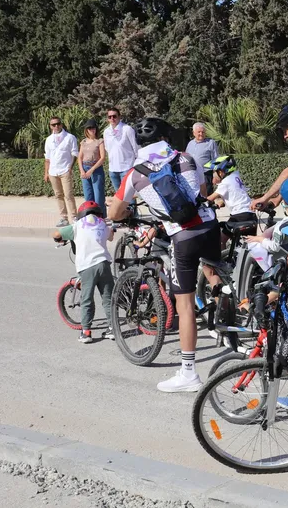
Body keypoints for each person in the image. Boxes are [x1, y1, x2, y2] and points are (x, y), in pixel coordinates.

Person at [109, 117, 222, 392]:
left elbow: (114, 212)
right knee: (216, 275)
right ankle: (226, 319)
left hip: (182, 236)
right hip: (210, 226)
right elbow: (202, 193)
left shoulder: (135, 173)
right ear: (166, 138)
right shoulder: (185, 157)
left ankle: (188, 373)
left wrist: (129, 212)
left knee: (184, 307)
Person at [53, 201, 115, 343]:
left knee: (87, 298)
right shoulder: (102, 224)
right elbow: (110, 236)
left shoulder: (77, 226)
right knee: (108, 298)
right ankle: (112, 329)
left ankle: (86, 331)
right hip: (104, 264)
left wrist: (59, 238)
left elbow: (57, 233)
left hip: (87, 266)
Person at [44, 116, 79, 227]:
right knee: (58, 195)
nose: (56, 126)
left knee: (69, 195)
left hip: (65, 170)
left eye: (58, 123)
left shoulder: (70, 137)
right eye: (53, 124)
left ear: (61, 124)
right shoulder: (48, 140)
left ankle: (74, 217)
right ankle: (63, 217)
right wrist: (46, 173)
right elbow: (47, 158)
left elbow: (75, 153)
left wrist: (70, 168)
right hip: (53, 172)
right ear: (50, 126)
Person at [205, 155, 257, 228]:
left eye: (213, 172)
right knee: (248, 239)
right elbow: (235, 192)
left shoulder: (225, 183)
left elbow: (209, 199)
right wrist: (222, 202)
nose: (213, 175)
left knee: (222, 237)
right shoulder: (235, 176)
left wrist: (198, 202)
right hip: (250, 214)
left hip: (239, 216)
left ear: (220, 172)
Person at [103, 107, 138, 193]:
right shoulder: (106, 132)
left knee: (129, 196)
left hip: (127, 167)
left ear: (119, 116)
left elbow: (135, 147)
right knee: (119, 198)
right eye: (109, 117)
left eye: (114, 116)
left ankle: (132, 207)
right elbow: (107, 148)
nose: (112, 119)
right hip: (113, 169)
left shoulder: (127, 129)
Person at [78, 119, 107, 214]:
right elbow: (80, 157)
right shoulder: (83, 142)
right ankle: (90, 215)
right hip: (85, 167)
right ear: (86, 130)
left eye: (93, 128)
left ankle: (101, 215)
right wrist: (82, 170)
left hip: (96, 168)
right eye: (90, 128)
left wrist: (92, 170)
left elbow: (102, 158)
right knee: (88, 195)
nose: (92, 130)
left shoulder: (99, 141)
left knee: (98, 195)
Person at [185, 122, 219, 194]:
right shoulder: (190, 143)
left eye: (203, 132)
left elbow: (215, 159)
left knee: (206, 196)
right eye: (199, 132)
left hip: (205, 174)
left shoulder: (211, 143)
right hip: (193, 174)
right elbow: (186, 157)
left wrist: (215, 174)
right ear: (194, 133)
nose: (201, 134)